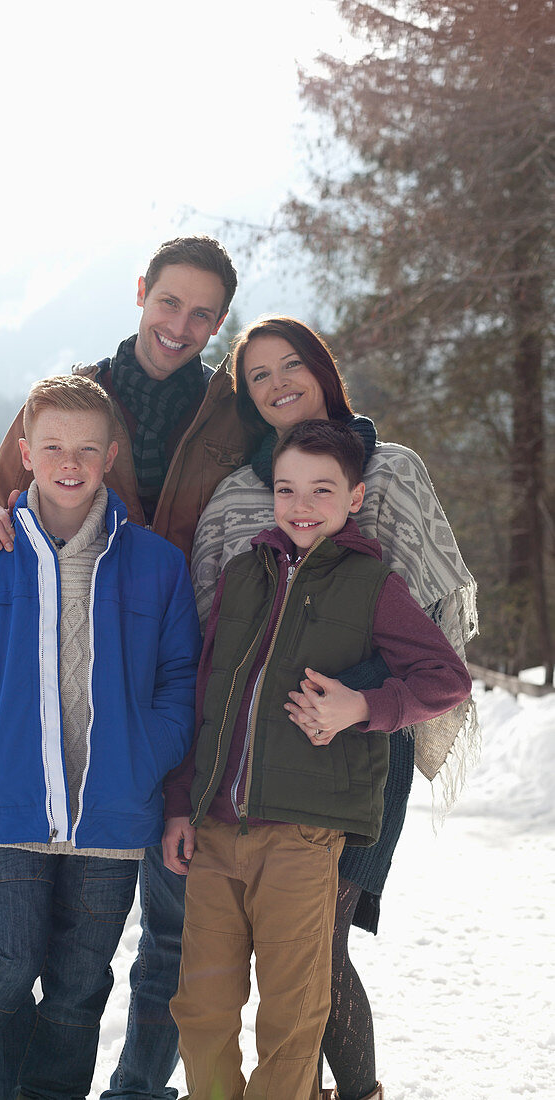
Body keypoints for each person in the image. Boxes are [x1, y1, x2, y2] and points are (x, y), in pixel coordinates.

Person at [0, 236, 251, 1100]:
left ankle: (131, 1089)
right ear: (140, 294)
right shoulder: (68, 399)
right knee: (9, 931)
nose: (180, 325)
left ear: (219, 322)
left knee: (170, 925)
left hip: (177, 689)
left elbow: (309, 478)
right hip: (62, 699)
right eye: (169, 303)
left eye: (202, 314)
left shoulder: (230, 422)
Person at [0, 375, 202, 1100]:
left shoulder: (155, 564)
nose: (69, 461)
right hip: (13, 802)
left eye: (87, 448)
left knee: (80, 982)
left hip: (114, 812)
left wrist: (153, 750)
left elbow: (180, 674)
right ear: (25, 453)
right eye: (53, 445)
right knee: (3, 961)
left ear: (110, 456)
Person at [188, 316, 479, 1100]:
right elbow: (214, 641)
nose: (278, 382)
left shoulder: (392, 471)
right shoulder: (236, 497)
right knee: (268, 964)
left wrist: (364, 701)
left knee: (317, 947)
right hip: (251, 764)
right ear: (246, 397)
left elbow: (436, 626)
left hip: (359, 744)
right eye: (258, 376)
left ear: (321, 370)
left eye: (292, 365)